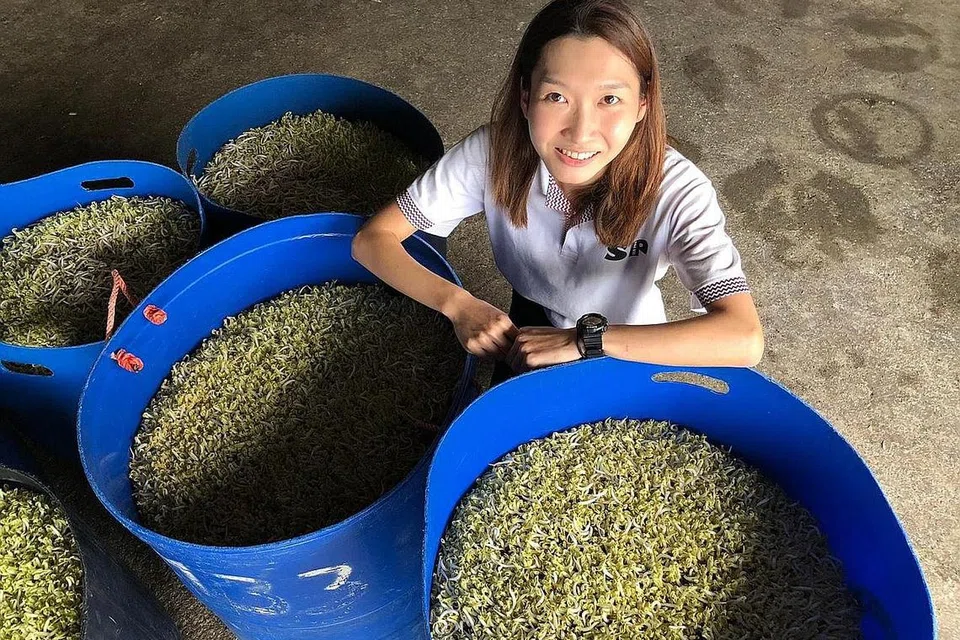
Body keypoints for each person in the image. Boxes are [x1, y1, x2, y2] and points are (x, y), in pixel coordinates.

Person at [352, 0, 763, 385]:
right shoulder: (493, 154)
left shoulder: (677, 190)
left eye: (610, 99)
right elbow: (373, 241)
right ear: (526, 97)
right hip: (531, 310)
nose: (581, 131)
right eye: (556, 96)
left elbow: (743, 338)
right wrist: (458, 304)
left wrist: (586, 340)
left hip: (627, 338)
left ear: (642, 103)